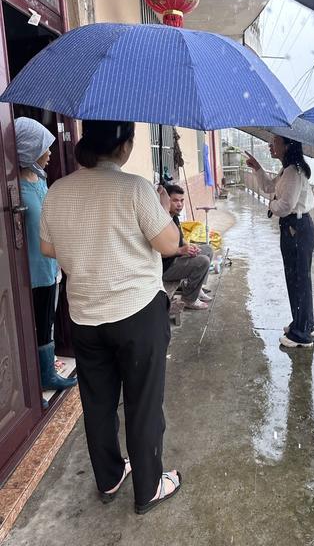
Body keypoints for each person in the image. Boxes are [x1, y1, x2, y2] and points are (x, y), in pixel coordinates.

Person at [40, 120, 182, 515]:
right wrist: (160, 204)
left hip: (85, 316)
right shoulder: (135, 188)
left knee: (98, 403)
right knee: (143, 402)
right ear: (123, 146)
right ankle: (149, 487)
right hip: (136, 313)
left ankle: (109, 477)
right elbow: (169, 244)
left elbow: (48, 247)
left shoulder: (58, 190)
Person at [14, 117, 77, 407]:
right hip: (32, 272)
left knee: (48, 322)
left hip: (50, 267)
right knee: (34, 325)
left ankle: (48, 372)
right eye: (44, 147)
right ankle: (36, 383)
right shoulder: (15, 188)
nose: (50, 153)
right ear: (29, 148)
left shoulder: (37, 178)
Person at [246, 136, 314, 348]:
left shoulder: (293, 172)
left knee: (298, 280)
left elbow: (285, 205)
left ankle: (301, 335)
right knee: (296, 278)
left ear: (287, 146)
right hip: (295, 227)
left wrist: (271, 205)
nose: (270, 145)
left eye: (274, 142)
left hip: (297, 228)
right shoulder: (287, 171)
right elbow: (269, 187)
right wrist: (257, 168)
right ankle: (303, 323)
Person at [161, 183, 213, 310]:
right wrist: (181, 251)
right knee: (203, 261)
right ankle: (189, 299)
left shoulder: (174, 217)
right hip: (165, 267)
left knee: (207, 249)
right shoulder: (162, 221)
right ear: (166, 200)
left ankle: (197, 288)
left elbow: (181, 239)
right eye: (175, 200)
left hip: (176, 258)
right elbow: (159, 253)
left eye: (181, 200)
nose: (179, 204)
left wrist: (189, 246)